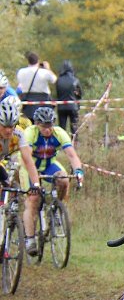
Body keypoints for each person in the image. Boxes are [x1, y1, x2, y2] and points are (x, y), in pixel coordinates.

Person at [21, 106, 84, 256]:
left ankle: (56, 207)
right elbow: (27, 158)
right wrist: (35, 182)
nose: (48, 129)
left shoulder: (59, 133)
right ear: (37, 124)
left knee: (63, 179)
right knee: (33, 199)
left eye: (50, 125)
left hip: (49, 165)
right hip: (29, 166)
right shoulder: (30, 133)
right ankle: (30, 238)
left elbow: (72, 155)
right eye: (44, 126)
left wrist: (78, 171)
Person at [0, 98, 42, 204]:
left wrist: (36, 184)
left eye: (11, 126)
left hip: (6, 157)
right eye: (4, 126)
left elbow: (28, 161)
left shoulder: (19, 133)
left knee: (6, 181)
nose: (8, 130)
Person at [16, 53, 57, 123]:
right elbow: (54, 80)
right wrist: (48, 68)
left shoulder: (21, 72)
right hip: (43, 100)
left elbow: (20, 83)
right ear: (38, 61)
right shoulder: (44, 72)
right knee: (43, 123)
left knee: (28, 123)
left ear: (28, 61)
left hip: (27, 100)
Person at [55, 60, 82, 136]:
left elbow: (58, 94)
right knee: (74, 127)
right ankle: (74, 141)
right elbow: (80, 94)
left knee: (62, 128)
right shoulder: (75, 80)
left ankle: (61, 141)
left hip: (61, 107)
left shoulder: (58, 80)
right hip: (73, 106)